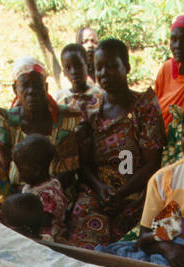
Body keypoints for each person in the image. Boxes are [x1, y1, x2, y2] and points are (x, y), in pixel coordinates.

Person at [67, 39, 165, 249]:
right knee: (84, 240)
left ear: (127, 67)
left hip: (135, 193)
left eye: (112, 66)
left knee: (127, 246)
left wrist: (121, 194)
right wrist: (100, 188)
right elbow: (83, 164)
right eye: (99, 67)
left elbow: (152, 163)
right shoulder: (89, 109)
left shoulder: (144, 107)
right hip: (96, 191)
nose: (104, 73)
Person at [0, 58, 82, 193]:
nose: (32, 91)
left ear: (46, 87)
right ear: (15, 89)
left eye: (37, 85)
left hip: (58, 193)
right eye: (25, 85)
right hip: (17, 196)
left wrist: (43, 194)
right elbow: (3, 170)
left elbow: (68, 172)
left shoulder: (65, 120)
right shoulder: (6, 123)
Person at [100, 190, 184, 267]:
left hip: (160, 263)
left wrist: (144, 241)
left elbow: (146, 241)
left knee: (123, 252)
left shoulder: (179, 224)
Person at [14, 135, 68, 241]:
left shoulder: (47, 193)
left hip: (48, 238)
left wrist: (17, 215)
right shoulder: (33, 185)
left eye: (20, 170)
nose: (18, 174)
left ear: (36, 170)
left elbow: (44, 220)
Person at [54, 43, 103, 120]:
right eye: (68, 68)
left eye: (78, 66)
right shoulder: (60, 97)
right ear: (63, 72)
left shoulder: (97, 94)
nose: (74, 72)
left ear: (87, 66)